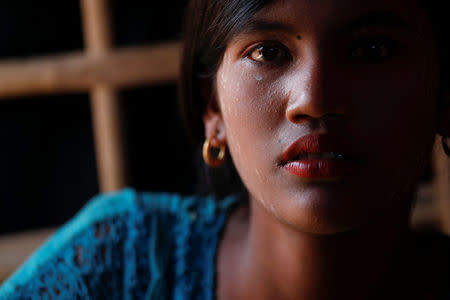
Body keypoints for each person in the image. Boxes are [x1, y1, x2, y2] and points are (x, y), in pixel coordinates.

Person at [1, 0, 450, 299]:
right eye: (267, 52)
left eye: (372, 49)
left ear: (443, 93)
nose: (314, 97)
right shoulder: (116, 267)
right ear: (212, 108)